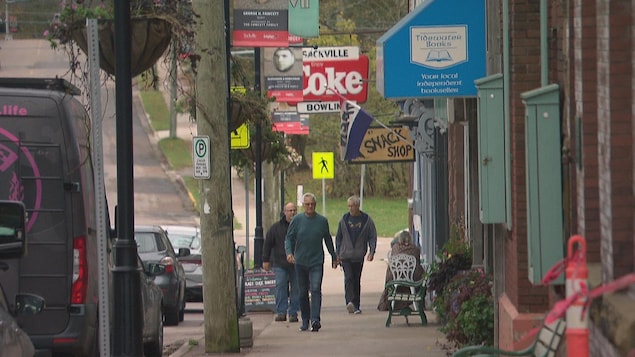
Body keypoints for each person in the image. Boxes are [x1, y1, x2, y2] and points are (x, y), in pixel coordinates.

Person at [285, 193, 338, 332]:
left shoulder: (322, 221)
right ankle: (305, 320)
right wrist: (289, 253)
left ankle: (315, 320)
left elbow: (327, 240)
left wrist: (334, 256)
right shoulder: (297, 220)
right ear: (303, 205)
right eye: (307, 204)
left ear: (315, 205)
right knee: (302, 293)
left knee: (315, 289)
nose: (310, 207)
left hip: (316, 261)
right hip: (300, 261)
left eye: (312, 204)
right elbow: (289, 238)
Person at [335, 195, 377, 315]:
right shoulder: (344, 219)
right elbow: (338, 237)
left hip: (358, 255)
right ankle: (349, 302)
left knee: (356, 280)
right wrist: (337, 254)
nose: (351, 208)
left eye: (353, 206)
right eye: (349, 206)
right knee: (348, 278)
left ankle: (356, 304)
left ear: (358, 206)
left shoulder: (366, 220)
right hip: (345, 255)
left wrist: (372, 251)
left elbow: (372, 236)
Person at [262, 202, 300, 322]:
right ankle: (281, 312)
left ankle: (293, 313)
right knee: (281, 286)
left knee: (296, 288)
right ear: (285, 212)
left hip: (297, 263)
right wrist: (265, 260)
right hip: (279, 263)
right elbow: (267, 244)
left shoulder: (300, 226)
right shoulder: (276, 228)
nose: (292, 213)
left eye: (294, 210)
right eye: (290, 211)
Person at [377, 229, 424, 311]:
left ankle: (393, 303)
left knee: (390, 273)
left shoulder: (395, 248)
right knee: (422, 277)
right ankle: (420, 304)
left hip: (396, 277)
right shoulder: (415, 250)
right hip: (412, 278)